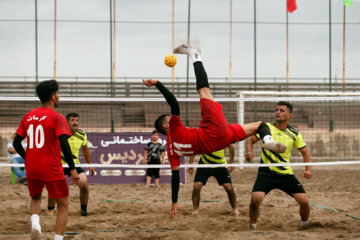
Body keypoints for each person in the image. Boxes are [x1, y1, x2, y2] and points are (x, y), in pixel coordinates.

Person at [142, 44, 286, 219]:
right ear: (166, 126)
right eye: (168, 118)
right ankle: (194, 54)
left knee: (260, 125)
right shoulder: (174, 128)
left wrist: (174, 202)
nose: (171, 118)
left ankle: (268, 141)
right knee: (203, 90)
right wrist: (158, 84)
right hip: (212, 130)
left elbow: (174, 178)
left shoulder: (172, 152)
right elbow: (174, 103)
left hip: (220, 141)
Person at [13, 80, 80, 240]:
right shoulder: (57, 117)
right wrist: (72, 168)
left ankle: (35, 223)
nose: (58, 96)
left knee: (35, 197)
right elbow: (64, 143)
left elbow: (16, 142)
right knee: (63, 205)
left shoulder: (28, 116)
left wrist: (27, 158)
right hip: (51, 166)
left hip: (33, 166)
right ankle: (58, 238)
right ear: (52, 96)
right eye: (57, 93)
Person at [245, 101, 312, 230]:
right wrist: (249, 152)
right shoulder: (266, 128)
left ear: (289, 115)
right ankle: (252, 228)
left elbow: (305, 152)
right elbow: (251, 141)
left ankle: (305, 225)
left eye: (282, 110)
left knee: (305, 203)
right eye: (277, 110)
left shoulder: (294, 133)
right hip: (266, 173)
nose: (277, 113)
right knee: (255, 200)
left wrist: (308, 170)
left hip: (285, 174)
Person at [48, 112, 95, 217]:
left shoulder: (82, 135)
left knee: (84, 184)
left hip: (74, 164)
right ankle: (50, 210)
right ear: (66, 122)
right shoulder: (59, 133)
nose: (75, 122)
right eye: (72, 120)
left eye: (77, 120)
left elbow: (85, 150)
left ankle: (83, 210)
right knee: (53, 187)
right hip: (58, 163)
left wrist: (90, 165)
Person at [188, 144, 239, 215]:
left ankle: (234, 209)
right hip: (204, 164)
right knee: (197, 186)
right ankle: (195, 210)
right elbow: (195, 147)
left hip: (220, 164)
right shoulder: (203, 134)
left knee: (228, 187)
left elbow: (231, 147)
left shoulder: (223, 135)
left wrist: (232, 162)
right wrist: (190, 164)